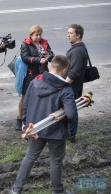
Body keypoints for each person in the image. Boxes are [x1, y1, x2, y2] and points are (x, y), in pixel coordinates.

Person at [11, 55, 78, 194]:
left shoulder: (35, 81)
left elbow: (26, 103)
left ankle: (16, 190)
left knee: (30, 157)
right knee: (56, 161)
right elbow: (71, 115)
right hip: (56, 131)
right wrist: (64, 113)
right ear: (64, 70)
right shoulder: (66, 90)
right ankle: (58, 191)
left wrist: (24, 121)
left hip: (35, 128)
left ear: (51, 66)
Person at [15, 25, 54, 131]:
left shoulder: (44, 43)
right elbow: (25, 57)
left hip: (43, 74)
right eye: (36, 35)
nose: (38, 37)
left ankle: (37, 118)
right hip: (30, 75)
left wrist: (49, 56)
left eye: (40, 34)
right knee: (25, 98)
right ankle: (20, 119)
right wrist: (38, 60)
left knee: (42, 96)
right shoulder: (26, 44)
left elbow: (52, 56)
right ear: (31, 35)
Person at [65, 24, 88, 142]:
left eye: (71, 33)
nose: (68, 35)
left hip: (72, 86)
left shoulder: (78, 51)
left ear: (78, 35)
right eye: (68, 32)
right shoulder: (77, 47)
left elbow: (74, 72)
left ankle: (71, 135)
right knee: (71, 108)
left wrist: (64, 85)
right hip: (74, 85)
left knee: (71, 109)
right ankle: (70, 133)